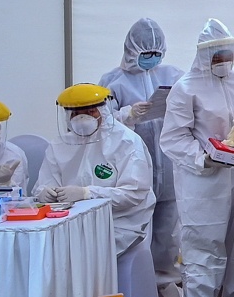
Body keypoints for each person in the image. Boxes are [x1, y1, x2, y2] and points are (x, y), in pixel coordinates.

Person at [162, 19, 234, 297]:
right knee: (203, 248)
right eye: (216, 56)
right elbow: (174, 137)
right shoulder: (186, 87)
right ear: (203, 56)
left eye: (226, 54)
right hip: (204, 180)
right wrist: (202, 157)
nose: (223, 61)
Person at [100, 19, 185, 297]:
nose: (152, 57)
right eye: (145, 52)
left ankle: (165, 280)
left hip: (171, 162)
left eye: (155, 52)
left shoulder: (174, 75)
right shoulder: (113, 81)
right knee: (137, 226)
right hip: (134, 165)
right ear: (131, 49)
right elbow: (101, 122)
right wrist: (129, 114)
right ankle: (137, 282)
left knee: (168, 227)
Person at [35, 84, 156, 259]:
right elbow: (45, 183)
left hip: (117, 222)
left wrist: (87, 193)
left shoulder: (126, 141)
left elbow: (134, 194)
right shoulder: (59, 144)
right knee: (43, 249)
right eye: (76, 113)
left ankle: (95, 287)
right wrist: (44, 193)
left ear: (103, 110)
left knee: (77, 253)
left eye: (90, 111)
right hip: (67, 221)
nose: (82, 118)